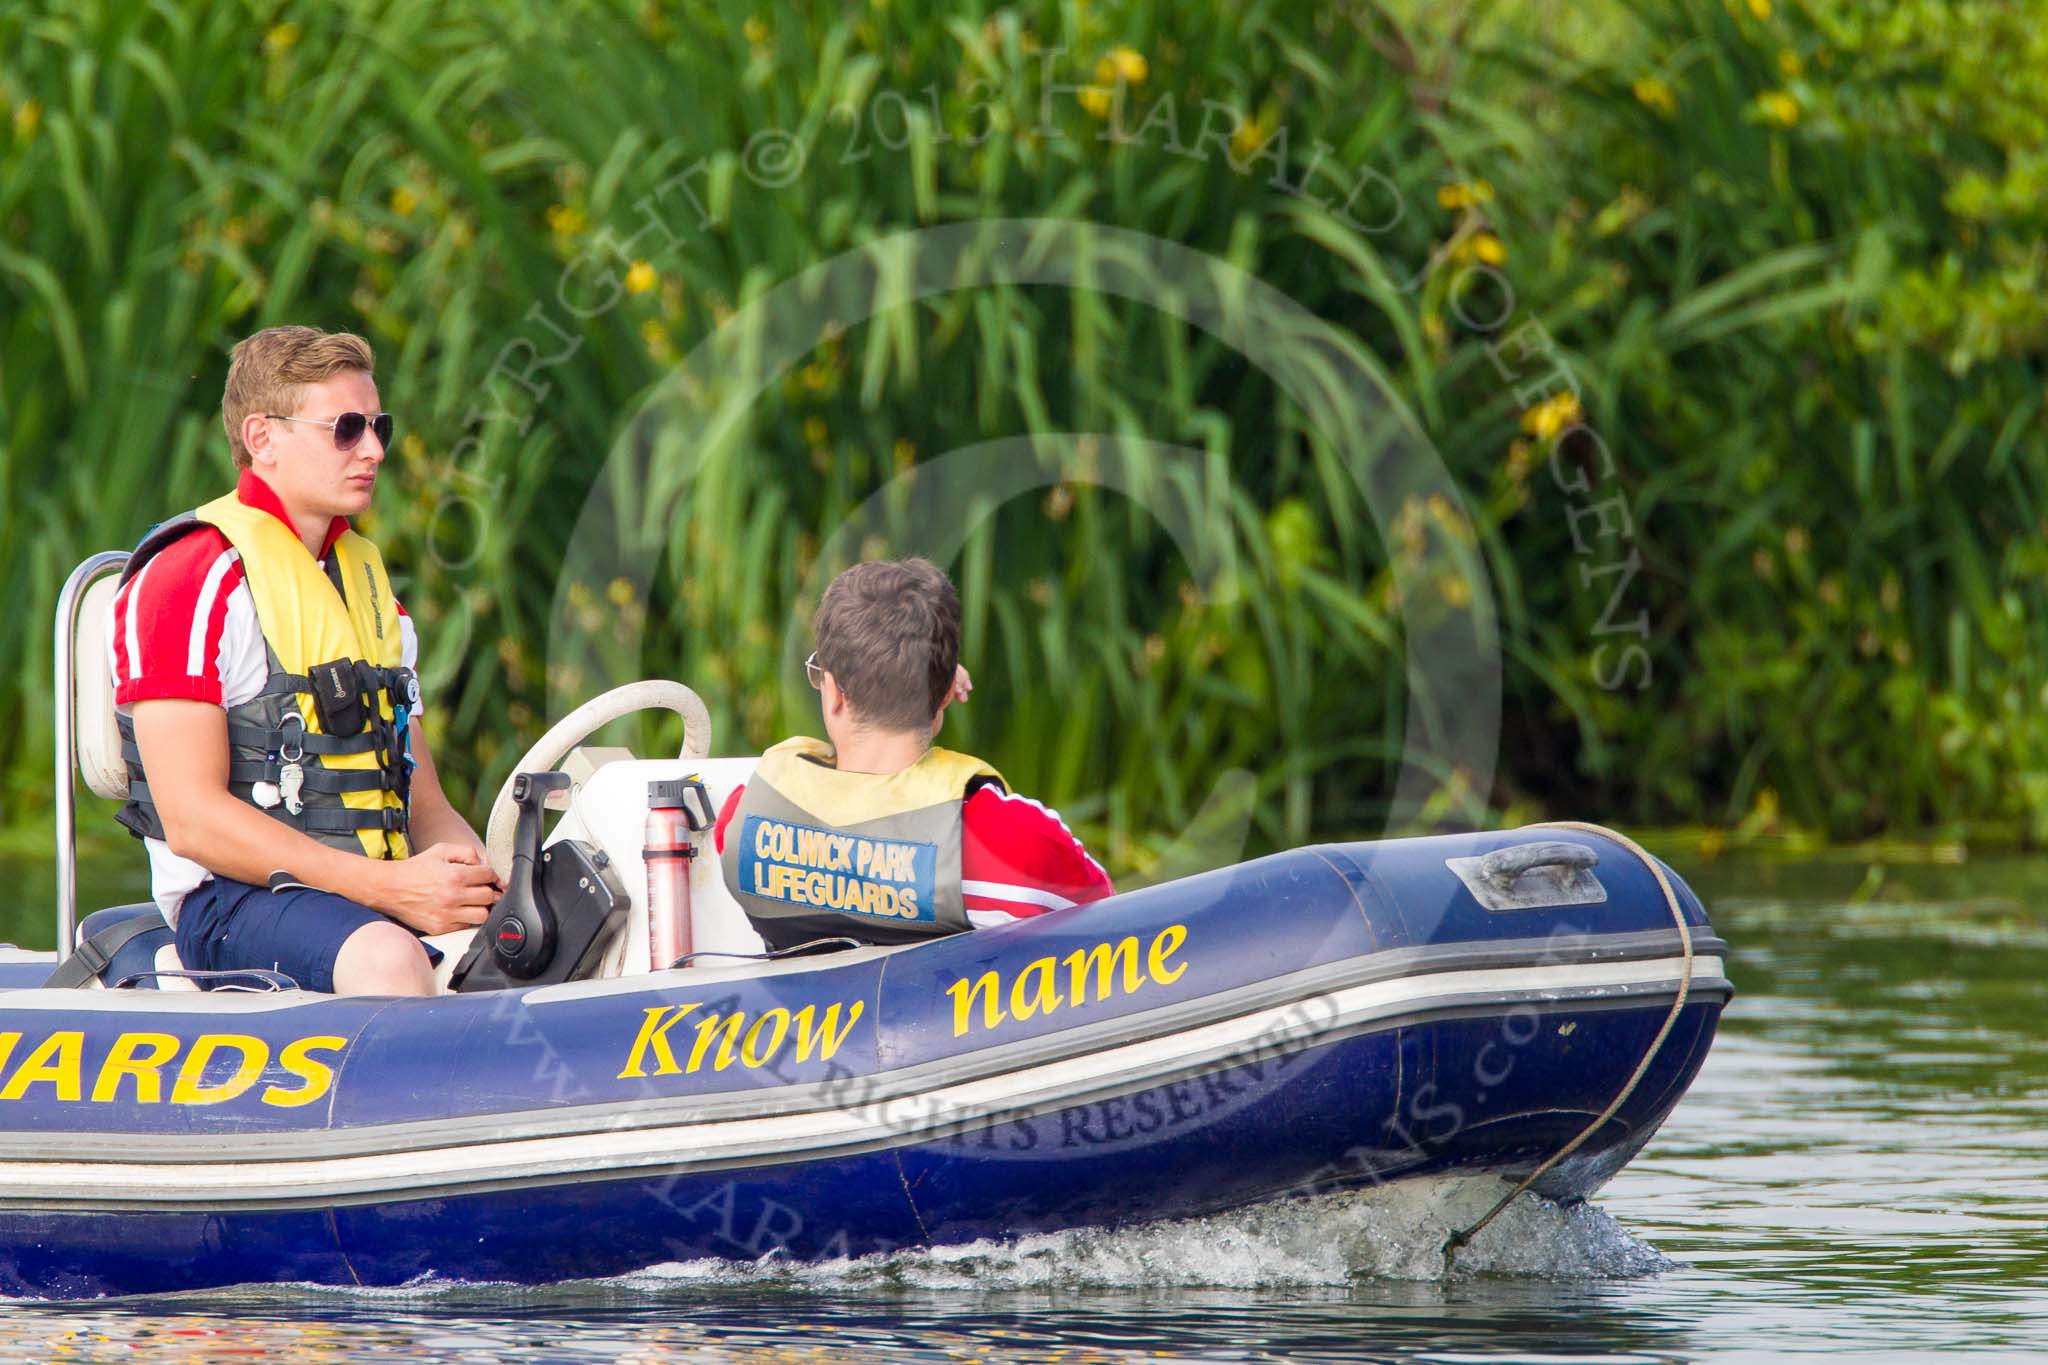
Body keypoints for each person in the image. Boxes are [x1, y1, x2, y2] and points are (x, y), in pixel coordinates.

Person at [106, 326, 498, 996]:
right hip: (234, 900)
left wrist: (492, 887)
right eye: (345, 428)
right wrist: (391, 889)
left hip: (372, 885)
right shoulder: (189, 580)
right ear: (263, 438)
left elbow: (423, 805)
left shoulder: (372, 596)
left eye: (379, 426)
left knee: (538, 942)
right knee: (390, 962)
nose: (372, 449)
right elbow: (193, 819)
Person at [715, 557, 1113, 949]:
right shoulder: (1018, 840)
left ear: (834, 693)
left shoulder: (745, 817)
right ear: (943, 696)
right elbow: (1114, 923)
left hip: (804, 1014)